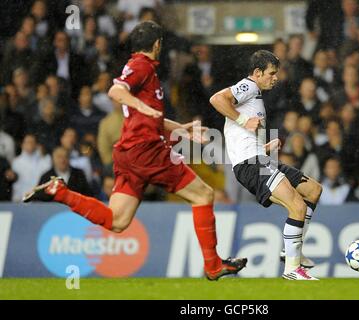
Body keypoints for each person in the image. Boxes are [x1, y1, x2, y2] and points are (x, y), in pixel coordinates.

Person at [23, 21, 246, 281]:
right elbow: (115, 91)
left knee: (117, 222)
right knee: (203, 195)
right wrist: (145, 108)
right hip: (148, 152)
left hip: (129, 154)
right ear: (157, 45)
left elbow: (151, 118)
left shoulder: (141, 69)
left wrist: (181, 130)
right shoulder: (141, 67)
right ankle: (213, 265)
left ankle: (60, 193)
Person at [210, 50, 322, 281]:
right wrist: (243, 120)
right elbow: (217, 99)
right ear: (257, 73)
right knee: (297, 206)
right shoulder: (248, 86)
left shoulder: (255, 95)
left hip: (259, 158)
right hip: (251, 164)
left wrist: (265, 148)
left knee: (313, 190)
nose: (275, 78)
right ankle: (292, 269)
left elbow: (241, 134)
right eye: (271, 73)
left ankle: (293, 254)